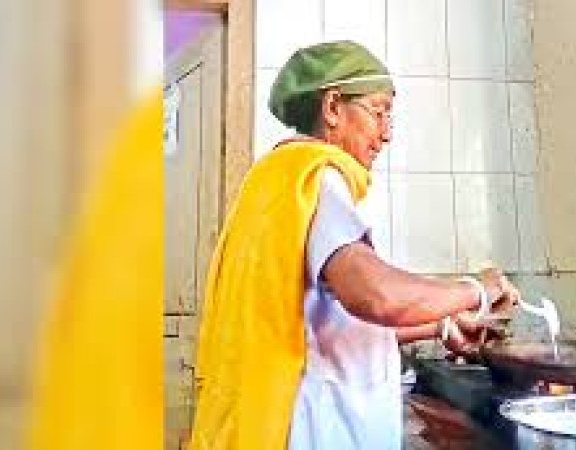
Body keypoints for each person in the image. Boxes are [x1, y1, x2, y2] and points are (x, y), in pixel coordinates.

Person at [188, 41, 520, 450]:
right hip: (312, 429)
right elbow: (376, 296)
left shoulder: (273, 181)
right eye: (379, 112)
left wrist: (442, 325)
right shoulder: (315, 177)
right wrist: (478, 289)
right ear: (332, 108)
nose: (387, 134)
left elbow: (324, 324)